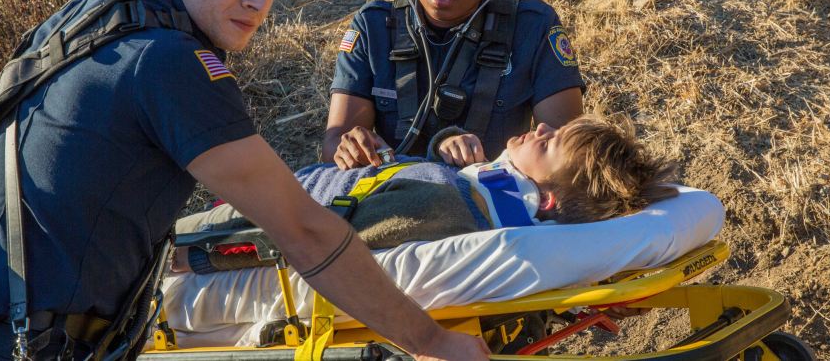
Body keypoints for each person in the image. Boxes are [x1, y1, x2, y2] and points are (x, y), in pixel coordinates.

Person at [0, 0, 489, 361]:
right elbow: (303, 231)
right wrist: (431, 341)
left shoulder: (98, 18)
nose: (256, 0)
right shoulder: (167, 61)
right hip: (7, 341)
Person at [174, 114, 680, 274]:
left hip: (238, 222)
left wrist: (192, 255)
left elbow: (312, 237)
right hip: (280, 194)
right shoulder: (468, 192)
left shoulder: (446, 206)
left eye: (549, 143)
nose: (542, 126)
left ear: (544, 199)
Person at [324, 0, 585, 170]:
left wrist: (487, 165)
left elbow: (567, 153)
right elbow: (333, 146)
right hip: (394, 187)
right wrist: (351, 148)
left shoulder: (531, 28)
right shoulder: (374, 27)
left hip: (495, 189)